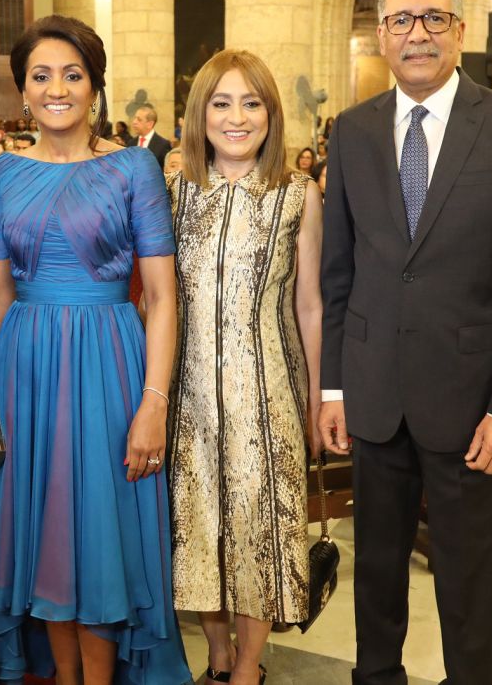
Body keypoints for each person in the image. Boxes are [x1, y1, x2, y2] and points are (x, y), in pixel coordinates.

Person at [318, 0, 492, 685]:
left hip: (472, 403)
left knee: (468, 580)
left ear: (458, 32)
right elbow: (339, 272)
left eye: (434, 20)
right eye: (402, 21)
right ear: (383, 35)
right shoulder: (352, 131)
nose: (417, 35)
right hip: (375, 395)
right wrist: (333, 389)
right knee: (377, 574)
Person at [0, 14, 190, 685]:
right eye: (41, 75)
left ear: (94, 85)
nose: (56, 88)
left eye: (72, 74)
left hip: (109, 367)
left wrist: (154, 402)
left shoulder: (134, 168)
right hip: (25, 369)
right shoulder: (0, 174)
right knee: (44, 528)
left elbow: (163, 296)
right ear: (22, 89)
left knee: (100, 529)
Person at [168, 49, 323, 685]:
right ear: (200, 113)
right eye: (222, 103)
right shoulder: (174, 188)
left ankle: (249, 669)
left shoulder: (296, 194)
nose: (236, 117)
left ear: (271, 113)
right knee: (198, 528)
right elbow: (157, 296)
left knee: (261, 532)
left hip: (271, 393)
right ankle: (218, 659)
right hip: (189, 394)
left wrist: (321, 401)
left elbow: (310, 305)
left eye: (251, 103)